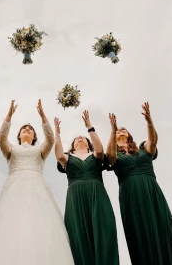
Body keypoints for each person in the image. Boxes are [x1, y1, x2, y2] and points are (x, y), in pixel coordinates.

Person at [0, 100, 74, 265]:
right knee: (10, 224)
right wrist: (9, 116)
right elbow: (1, 138)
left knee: (41, 225)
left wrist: (43, 116)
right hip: (14, 188)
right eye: (24, 129)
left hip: (38, 188)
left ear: (35, 136)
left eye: (30, 129)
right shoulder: (11, 149)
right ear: (19, 135)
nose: (27, 130)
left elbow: (50, 139)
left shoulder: (40, 150)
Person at [106, 102, 172, 265]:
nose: (121, 130)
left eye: (124, 129)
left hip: (151, 190)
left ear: (129, 136)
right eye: (119, 129)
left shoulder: (142, 148)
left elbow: (153, 142)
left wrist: (149, 121)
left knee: (161, 228)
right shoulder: (115, 154)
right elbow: (110, 155)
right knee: (140, 234)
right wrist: (112, 131)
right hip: (130, 194)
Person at [55, 111, 119, 264]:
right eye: (77, 138)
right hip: (75, 198)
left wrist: (89, 127)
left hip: (97, 194)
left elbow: (99, 150)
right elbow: (58, 155)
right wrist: (57, 133)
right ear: (72, 147)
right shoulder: (68, 158)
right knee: (78, 234)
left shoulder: (95, 155)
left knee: (103, 230)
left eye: (83, 137)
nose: (80, 138)